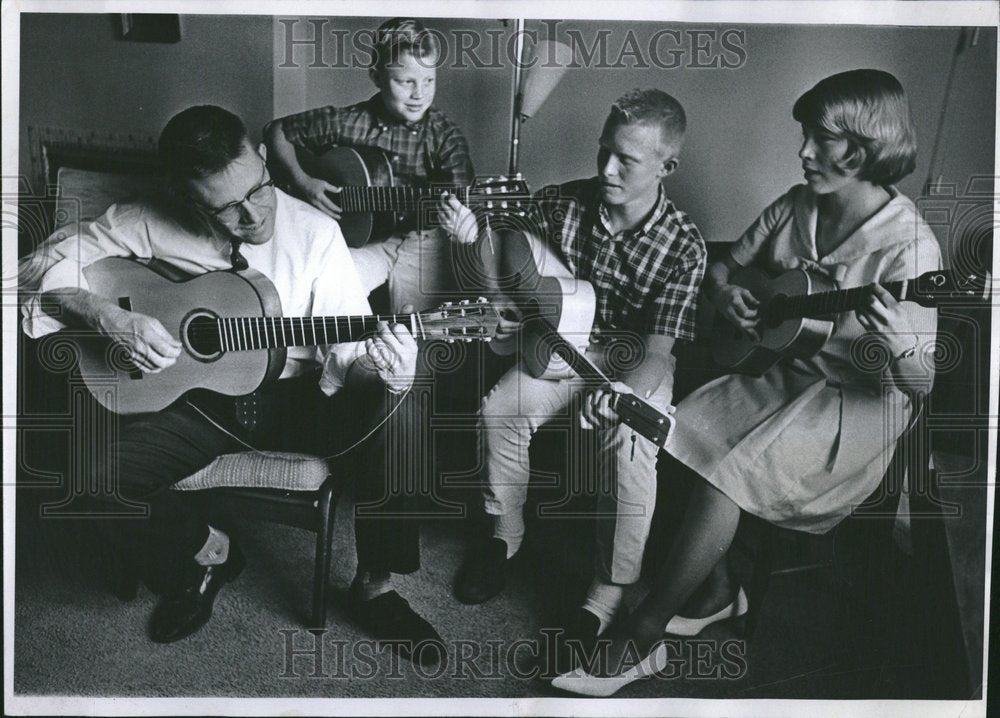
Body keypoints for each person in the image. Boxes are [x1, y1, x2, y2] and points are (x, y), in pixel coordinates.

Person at [552, 69, 942, 696]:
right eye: (805, 136)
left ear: (866, 147)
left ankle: (642, 635)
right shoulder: (797, 202)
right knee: (668, 428)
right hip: (781, 376)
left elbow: (921, 386)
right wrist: (730, 293)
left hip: (853, 409)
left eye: (822, 139)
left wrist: (903, 351)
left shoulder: (912, 254)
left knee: (727, 472)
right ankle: (714, 591)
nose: (805, 152)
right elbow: (725, 267)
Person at [19, 105, 445, 666]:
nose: (255, 215)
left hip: (297, 402)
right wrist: (109, 317)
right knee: (85, 480)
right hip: (200, 402)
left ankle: (376, 585)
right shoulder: (149, 217)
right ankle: (207, 551)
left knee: (404, 400)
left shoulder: (315, 235)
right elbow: (39, 267)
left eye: (259, 189)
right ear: (190, 198)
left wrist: (386, 371)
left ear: (264, 161)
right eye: (228, 208)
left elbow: (347, 358)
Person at [453, 89, 707, 674]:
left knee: (631, 446)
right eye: (603, 151)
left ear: (667, 167)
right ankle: (505, 532)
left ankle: (605, 593)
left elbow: (661, 351)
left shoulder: (684, 245)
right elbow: (511, 236)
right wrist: (511, 273)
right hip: (561, 345)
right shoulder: (563, 203)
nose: (607, 168)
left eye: (627, 160)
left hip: (634, 364)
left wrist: (620, 396)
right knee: (501, 409)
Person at [265, 16, 478, 312]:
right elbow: (277, 131)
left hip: (423, 240)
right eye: (406, 82)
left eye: (429, 80)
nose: (419, 94)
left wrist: (464, 224)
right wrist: (304, 182)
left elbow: (462, 199)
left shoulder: (445, 136)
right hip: (362, 240)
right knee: (325, 298)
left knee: (415, 325)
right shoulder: (351, 121)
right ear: (377, 76)